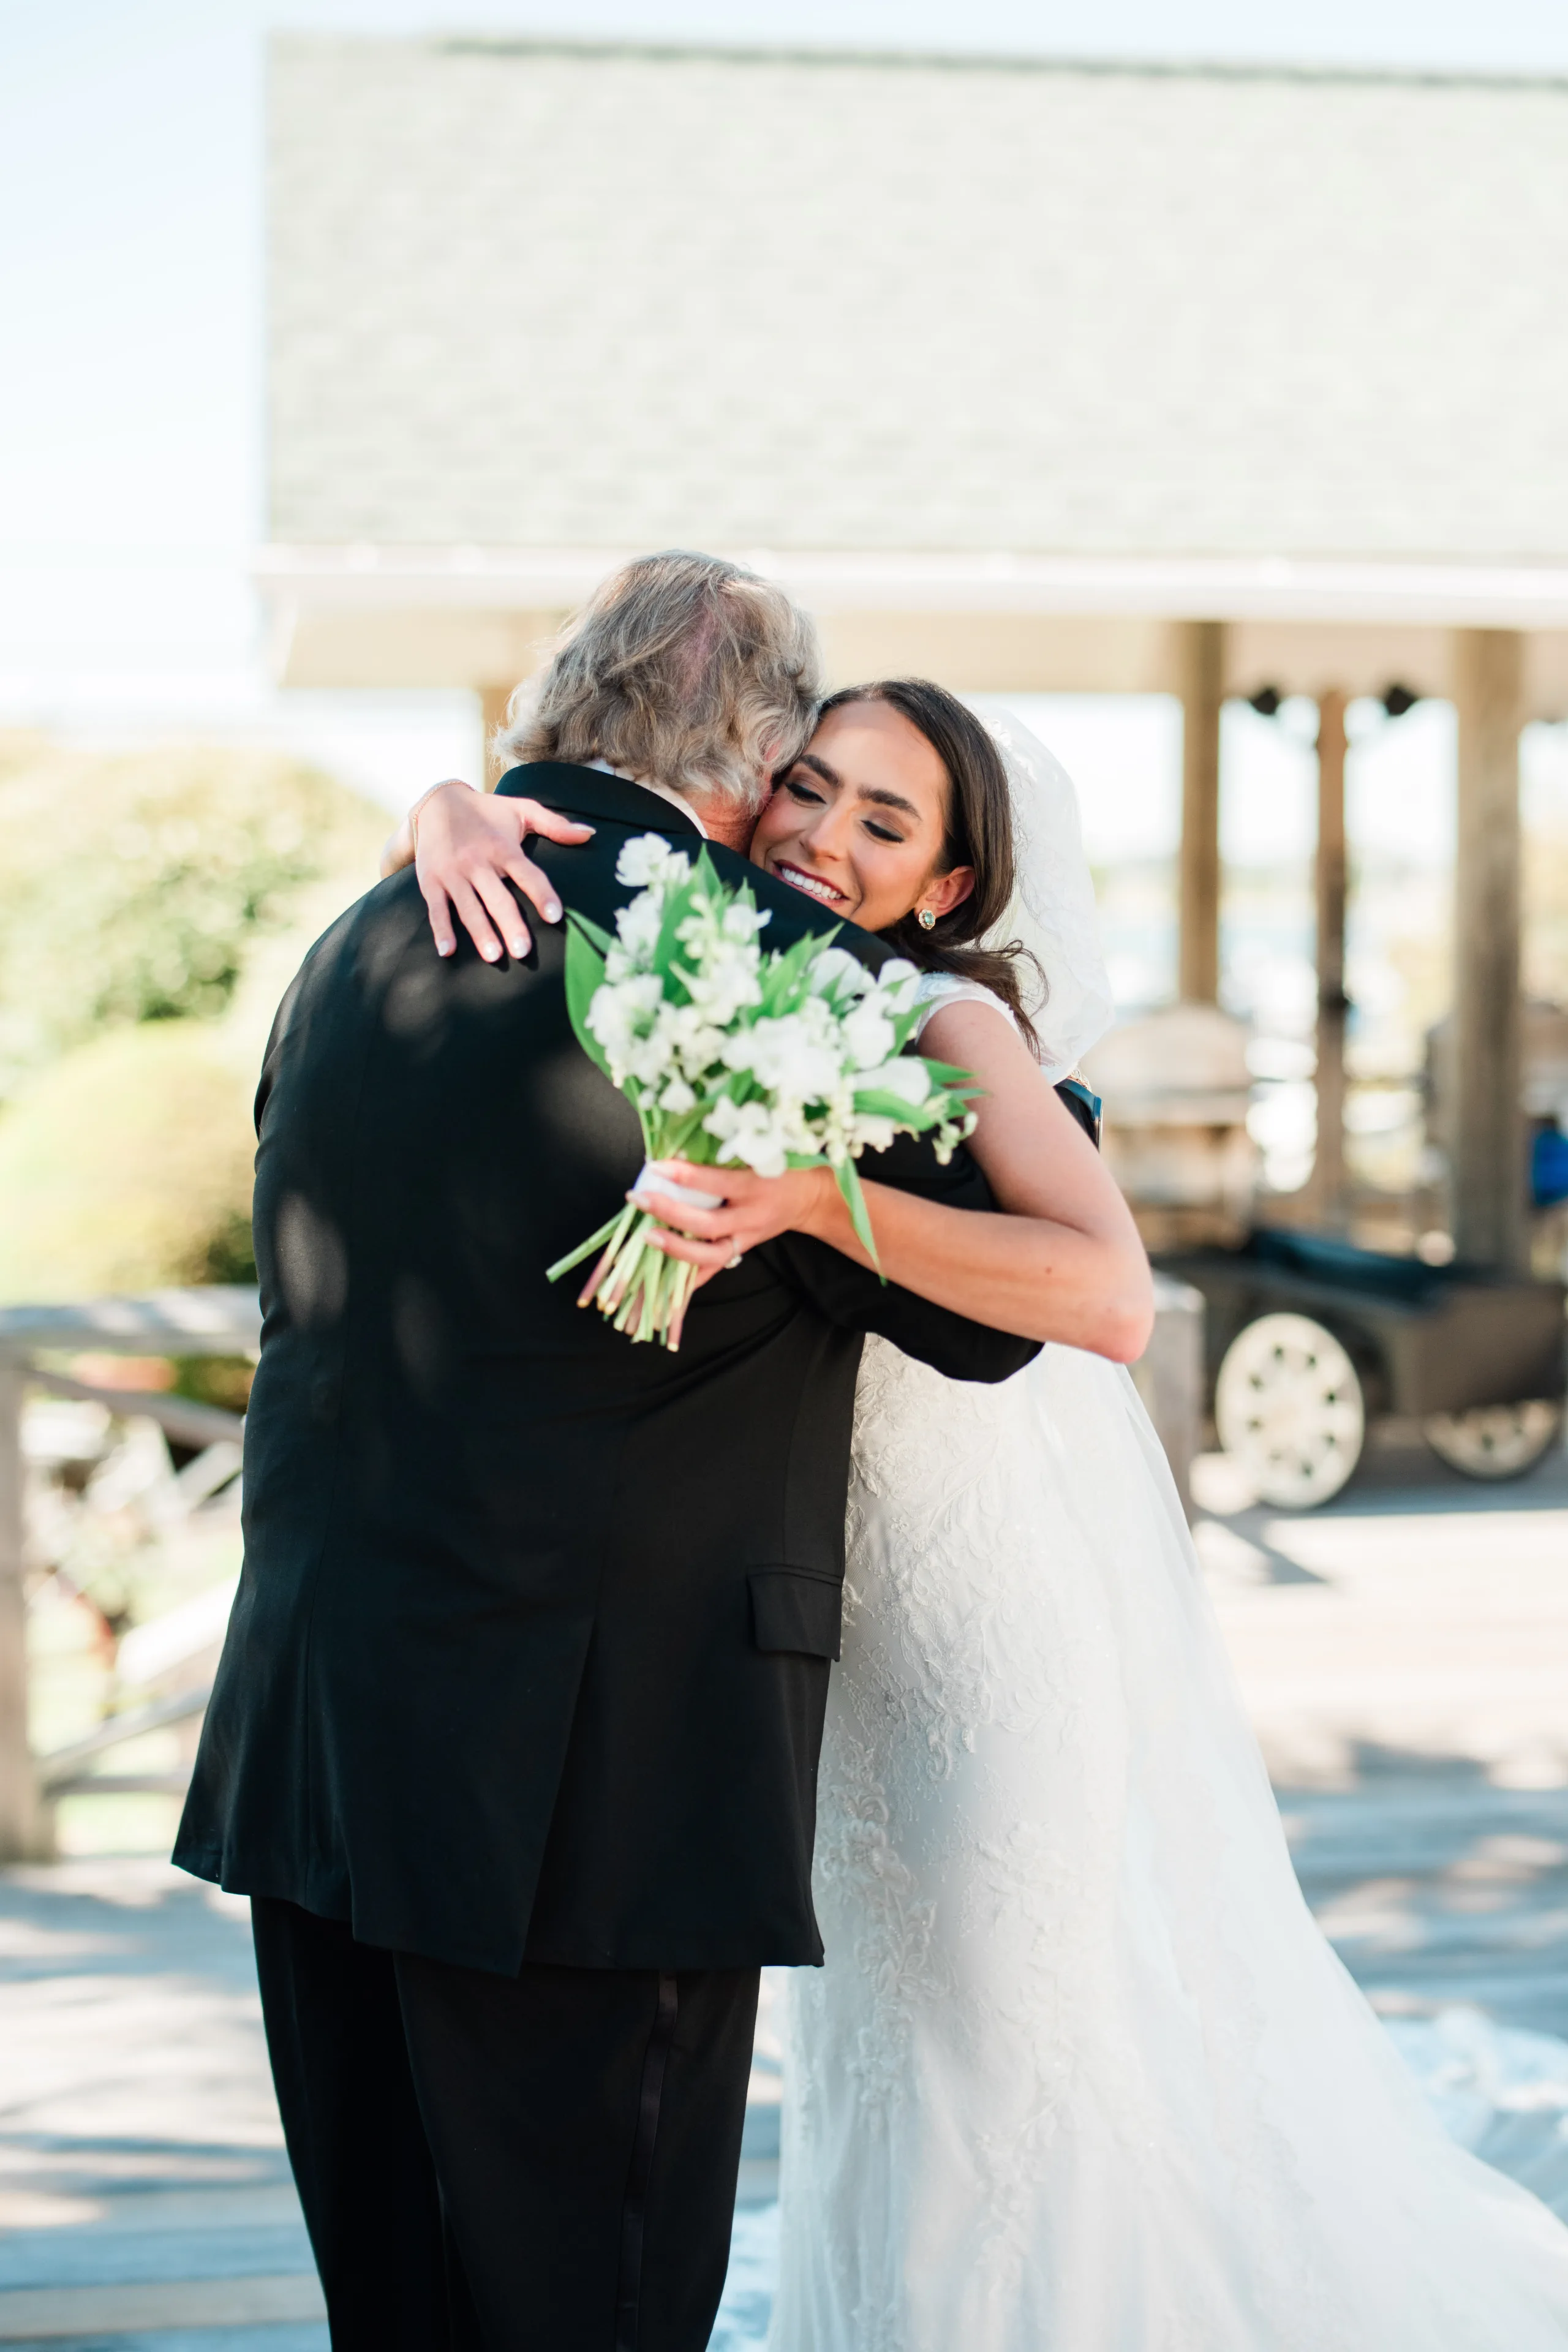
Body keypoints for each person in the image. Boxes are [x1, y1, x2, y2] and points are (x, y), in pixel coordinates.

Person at [409, 680, 1568, 2348]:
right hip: (846, 1616)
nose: (822, 833)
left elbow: (1109, 1296)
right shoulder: (735, 976)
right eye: (807, 788)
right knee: (891, 2043)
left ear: (951, 887)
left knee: (1011, 2038)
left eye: (886, 822)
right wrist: (450, 811)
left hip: (986, 1603)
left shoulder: (955, 1027)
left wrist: (811, 1196)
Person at [172, 552, 1145, 2352]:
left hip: (320, 1739)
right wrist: (1030, 1091)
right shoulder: (783, 979)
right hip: (593, 1789)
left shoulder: (362, 931)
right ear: (759, 754)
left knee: (395, 2311)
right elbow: (1008, 1309)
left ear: (560, 703)